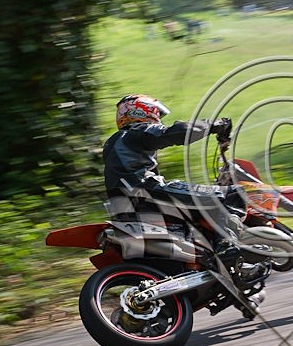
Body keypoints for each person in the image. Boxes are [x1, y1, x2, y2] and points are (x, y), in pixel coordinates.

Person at [102, 94, 239, 257]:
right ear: (142, 112)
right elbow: (178, 132)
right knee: (232, 194)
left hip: (125, 204)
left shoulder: (112, 143)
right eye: (157, 114)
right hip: (147, 193)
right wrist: (217, 125)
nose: (159, 119)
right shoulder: (138, 132)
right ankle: (228, 247)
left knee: (195, 203)